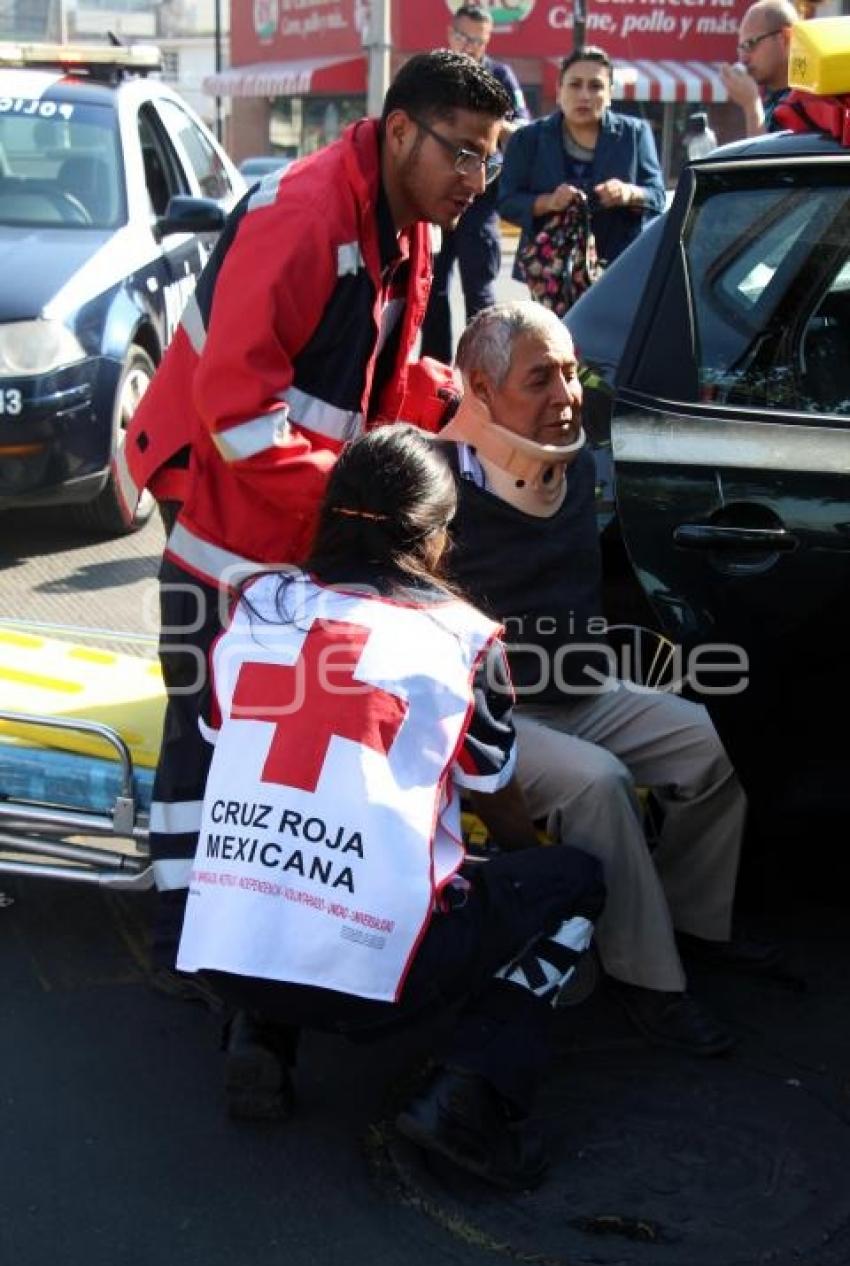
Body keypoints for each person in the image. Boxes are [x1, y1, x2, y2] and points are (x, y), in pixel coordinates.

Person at [112, 51, 514, 977]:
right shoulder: (303, 214)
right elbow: (243, 420)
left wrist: (469, 407)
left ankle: (268, 934)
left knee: (277, 741)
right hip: (226, 527)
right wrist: (363, 505)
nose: (474, 180)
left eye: (488, 161)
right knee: (205, 739)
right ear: (402, 130)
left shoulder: (407, 220)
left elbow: (382, 380)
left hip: (301, 520)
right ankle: (189, 945)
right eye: (463, 153)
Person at [176, 425, 606, 1190]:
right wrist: (526, 852)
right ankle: (467, 1093)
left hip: (221, 949)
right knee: (571, 883)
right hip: (377, 984)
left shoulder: (254, 607)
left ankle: (259, 1035)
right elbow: (495, 795)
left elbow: (224, 746)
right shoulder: (462, 640)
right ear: (439, 538)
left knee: (288, 865)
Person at [440, 300, 779, 1057]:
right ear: (483, 392)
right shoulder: (437, 483)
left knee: (714, 746)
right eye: (540, 379)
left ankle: (687, 918)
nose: (566, 396)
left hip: (582, 689)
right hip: (493, 717)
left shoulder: (581, 460)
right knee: (599, 784)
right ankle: (649, 981)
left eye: (571, 373)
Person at [499, 46, 665, 289]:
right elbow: (507, 202)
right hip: (549, 271)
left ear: (610, 93)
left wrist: (628, 193)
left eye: (596, 86)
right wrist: (549, 201)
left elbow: (658, 197)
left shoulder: (634, 134)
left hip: (616, 267)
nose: (585, 95)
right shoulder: (528, 139)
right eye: (575, 85)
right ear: (559, 90)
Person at [419, 4, 529, 363]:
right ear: (450, 34)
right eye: (464, 38)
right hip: (435, 193)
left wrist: (502, 129)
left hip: (480, 196)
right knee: (431, 289)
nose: (470, 47)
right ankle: (433, 376)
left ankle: (481, 369)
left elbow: (522, 131)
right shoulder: (434, 73)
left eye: (478, 41)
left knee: (479, 290)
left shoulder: (499, 74)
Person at [720, 0, 796, 136]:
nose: (743, 59)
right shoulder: (773, 100)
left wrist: (751, 106)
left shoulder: (809, 100)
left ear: (785, 38)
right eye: (741, 48)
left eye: (751, 44)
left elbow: (769, 157)